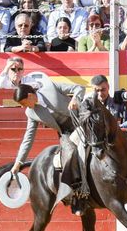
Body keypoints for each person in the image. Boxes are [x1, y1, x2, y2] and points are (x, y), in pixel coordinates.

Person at [8, 79, 90, 209]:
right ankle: (78, 195)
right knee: (68, 157)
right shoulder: (31, 113)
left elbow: (79, 88)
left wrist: (75, 98)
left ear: (30, 96)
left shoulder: (50, 87)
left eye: (23, 103)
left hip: (83, 121)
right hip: (67, 133)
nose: (24, 107)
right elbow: (28, 138)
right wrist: (18, 162)